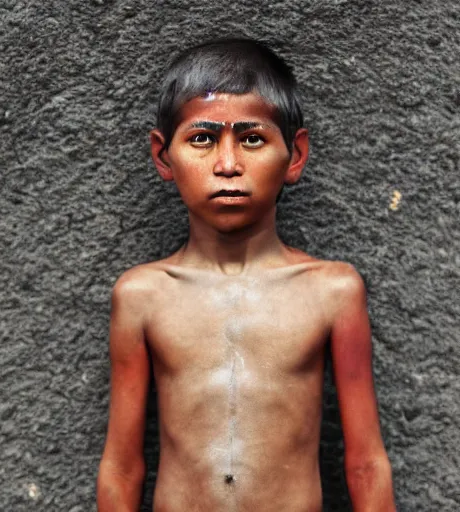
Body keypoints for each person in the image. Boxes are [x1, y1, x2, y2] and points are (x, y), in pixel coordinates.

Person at [96, 38, 396, 512]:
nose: (228, 165)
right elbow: (122, 466)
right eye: (202, 139)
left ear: (294, 155)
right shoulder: (142, 296)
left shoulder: (333, 292)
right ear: (162, 156)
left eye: (252, 138)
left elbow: (365, 463)